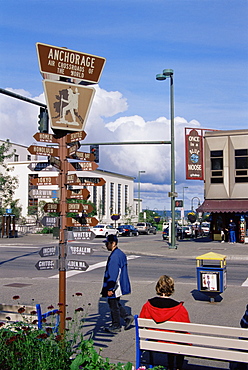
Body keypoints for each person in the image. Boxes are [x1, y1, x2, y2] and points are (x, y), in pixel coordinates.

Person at [139, 275, 190, 370]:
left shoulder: (147, 305)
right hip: (173, 342)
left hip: (155, 340)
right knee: (180, 339)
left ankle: (170, 366)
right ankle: (177, 367)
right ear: (171, 289)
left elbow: (142, 324)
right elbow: (185, 329)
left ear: (158, 288)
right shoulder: (180, 308)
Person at [101, 234, 134, 334]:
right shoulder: (120, 253)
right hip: (119, 284)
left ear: (113, 243)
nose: (106, 245)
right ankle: (127, 317)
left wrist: (111, 288)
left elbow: (114, 273)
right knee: (115, 303)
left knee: (113, 304)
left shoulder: (115, 256)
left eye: (108, 243)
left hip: (115, 285)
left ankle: (116, 325)